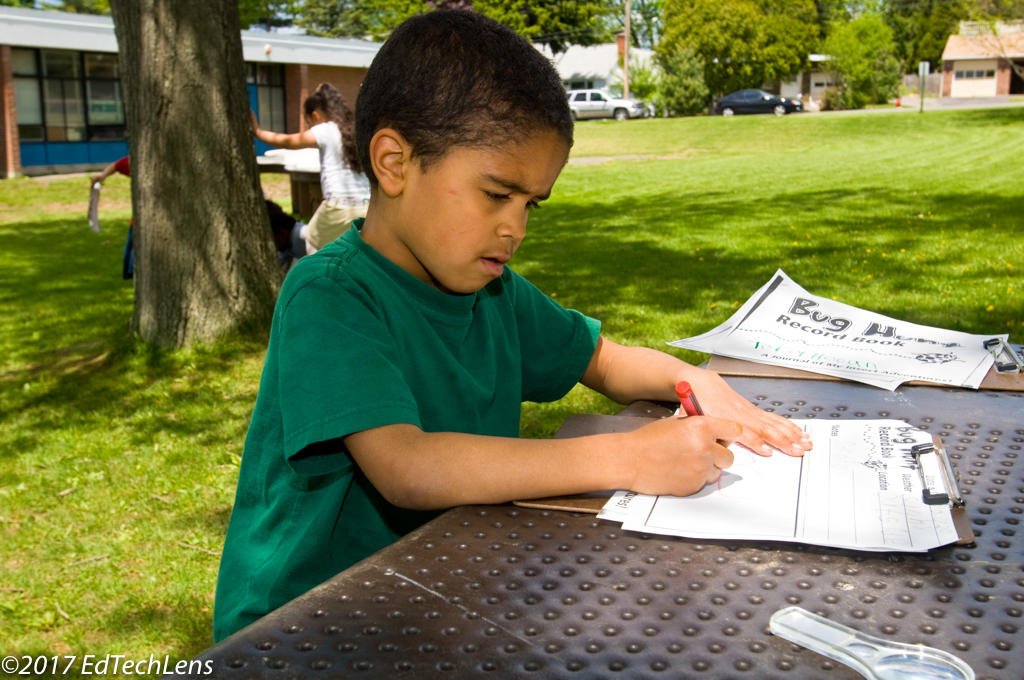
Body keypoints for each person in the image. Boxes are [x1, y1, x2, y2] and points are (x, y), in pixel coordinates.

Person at [213, 10, 811, 642]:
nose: (515, 229)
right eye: (497, 195)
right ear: (393, 162)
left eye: (531, 204)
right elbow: (407, 466)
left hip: (441, 590)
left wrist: (693, 380)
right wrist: (628, 456)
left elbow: (602, 360)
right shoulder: (330, 296)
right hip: (303, 627)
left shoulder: (491, 289)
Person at [251, 83, 368, 255]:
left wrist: (258, 132)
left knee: (311, 241)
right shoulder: (355, 129)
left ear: (316, 115)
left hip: (338, 207)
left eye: (309, 123)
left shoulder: (326, 130)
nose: (310, 128)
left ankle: (320, 279)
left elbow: (289, 141)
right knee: (357, 249)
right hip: (367, 207)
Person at [91, 156, 134, 279]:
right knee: (131, 252)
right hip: (137, 222)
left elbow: (119, 164)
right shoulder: (137, 162)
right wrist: (103, 176)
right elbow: (118, 165)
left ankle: (132, 272)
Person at [265, 200, 307, 273]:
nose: (276, 247)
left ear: (282, 234)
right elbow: (280, 259)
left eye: (276, 242)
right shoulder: (288, 241)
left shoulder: (299, 236)